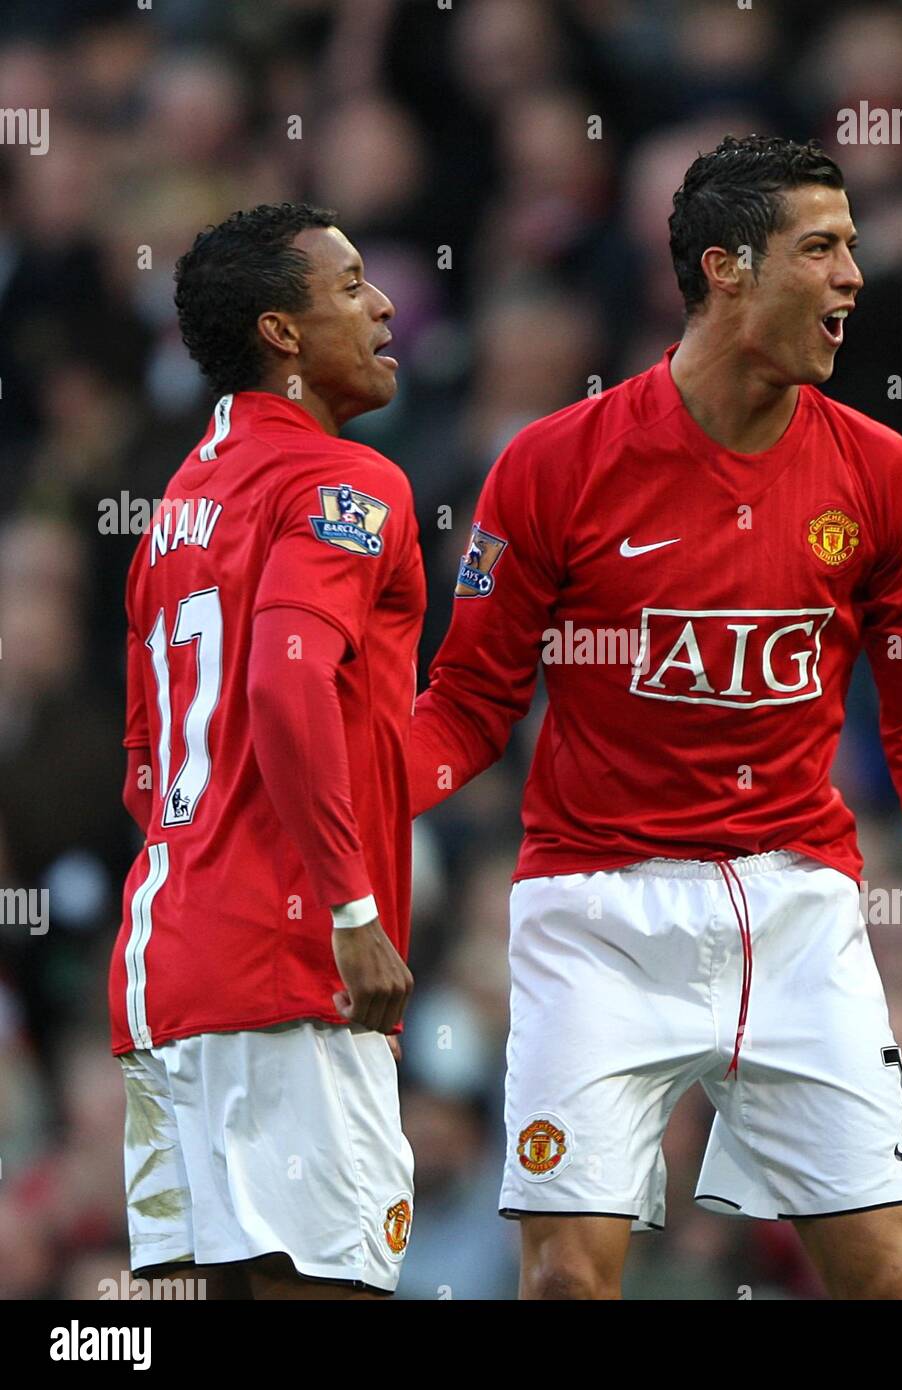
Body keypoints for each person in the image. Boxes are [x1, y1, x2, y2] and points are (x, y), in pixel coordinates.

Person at [409, 136, 902, 1300]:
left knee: (895, 1276)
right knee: (563, 1284)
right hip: (594, 907)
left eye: (852, 247)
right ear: (726, 268)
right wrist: (333, 806)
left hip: (797, 908)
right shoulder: (552, 466)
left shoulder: (882, 472)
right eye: (821, 249)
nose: (852, 276)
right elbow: (470, 705)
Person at [108, 203, 424, 1299]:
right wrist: (350, 911)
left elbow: (147, 768)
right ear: (282, 332)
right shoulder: (342, 483)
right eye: (348, 288)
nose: (382, 305)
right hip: (288, 968)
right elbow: (286, 684)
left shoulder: (177, 509)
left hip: (166, 967)